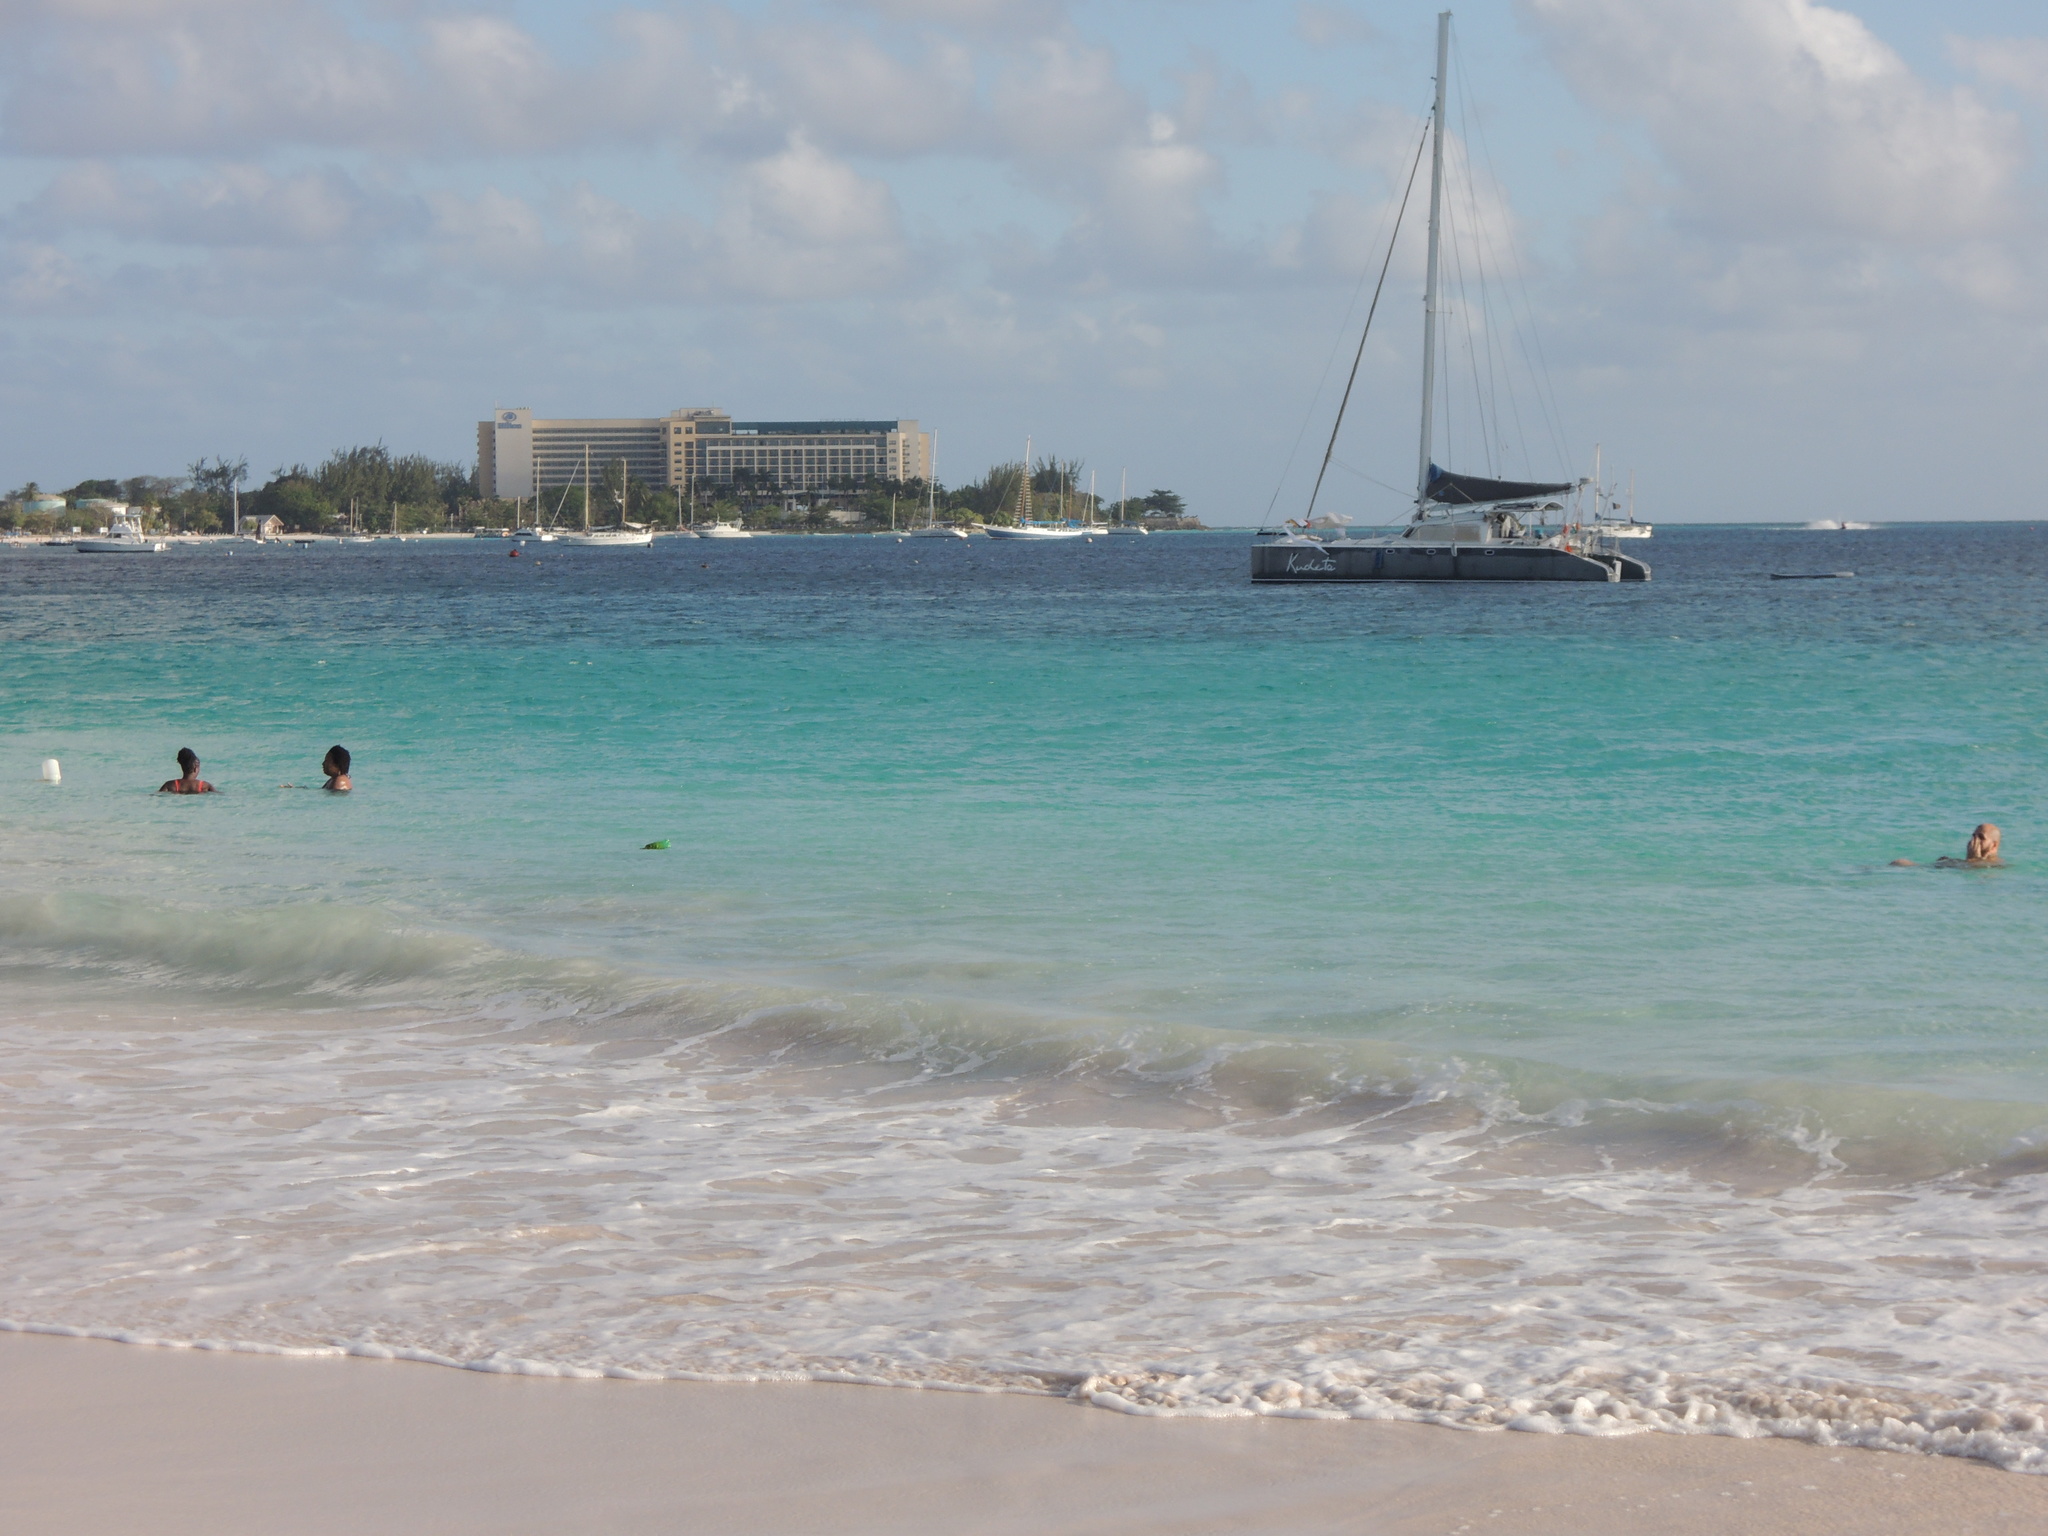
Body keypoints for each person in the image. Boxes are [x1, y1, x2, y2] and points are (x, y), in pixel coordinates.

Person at [1891, 823, 2002, 868]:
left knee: (1901, 863)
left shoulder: (1994, 864)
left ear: (1994, 846)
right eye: (1974, 836)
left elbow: (1975, 876)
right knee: (1898, 862)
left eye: (1981, 838)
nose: (1975, 841)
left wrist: (1974, 859)